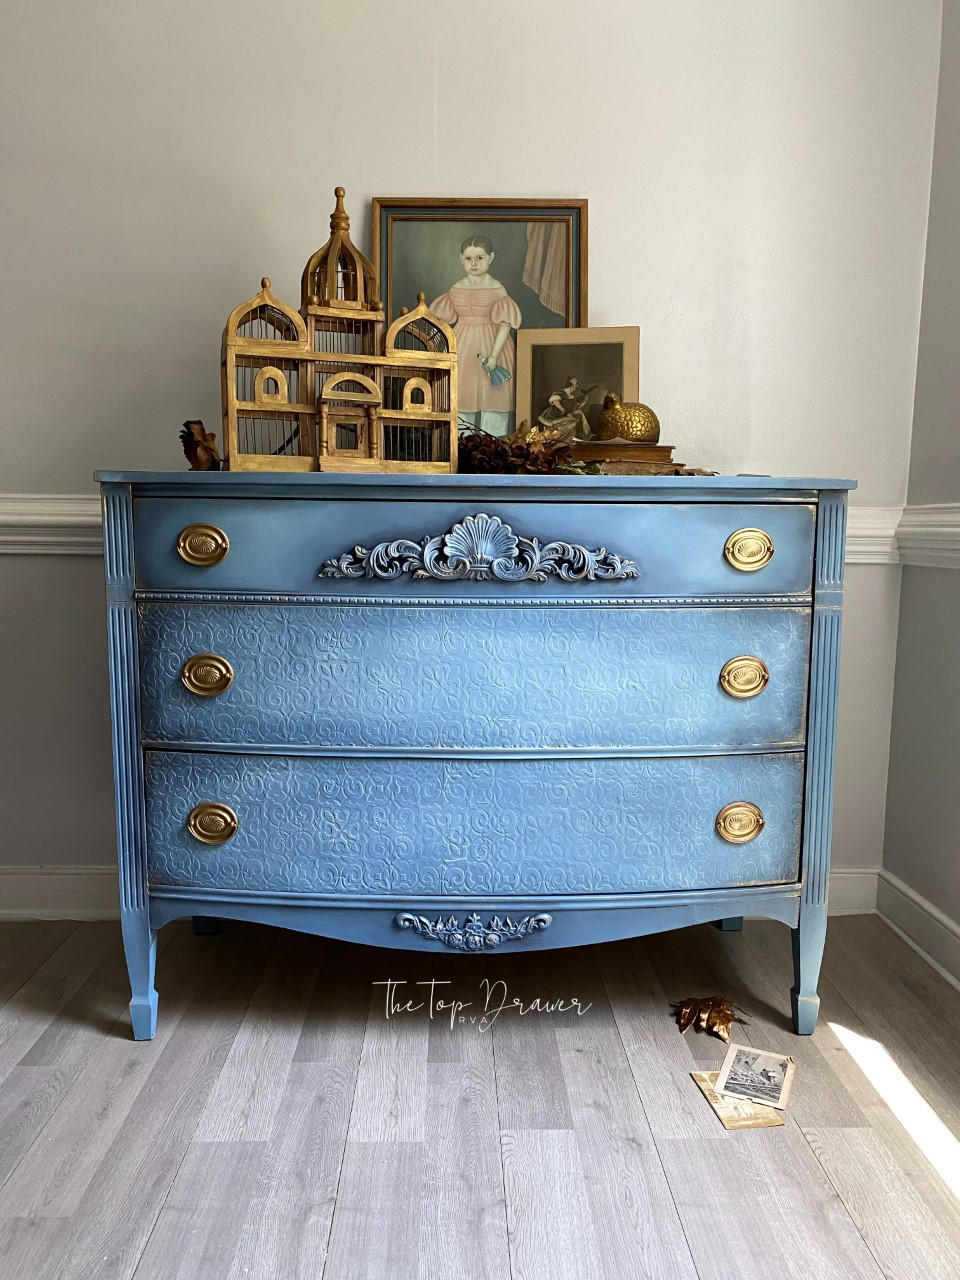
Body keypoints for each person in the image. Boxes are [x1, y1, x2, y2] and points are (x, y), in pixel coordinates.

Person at [430, 235, 522, 436]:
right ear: (461, 259)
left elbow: (505, 325)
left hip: (494, 344)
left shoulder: (498, 289)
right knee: (463, 400)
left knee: (494, 401)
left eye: (479, 258)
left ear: (491, 257)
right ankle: (463, 451)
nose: (474, 263)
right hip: (463, 346)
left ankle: (493, 451)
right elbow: (442, 322)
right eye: (468, 258)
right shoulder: (456, 289)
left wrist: (494, 355)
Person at [537, 375, 598, 440]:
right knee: (573, 422)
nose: (577, 386)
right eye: (576, 384)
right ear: (571, 386)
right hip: (553, 417)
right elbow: (553, 399)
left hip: (564, 415)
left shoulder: (571, 397)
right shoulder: (561, 393)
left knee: (579, 413)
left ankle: (588, 435)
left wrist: (585, 401)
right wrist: (562, 409)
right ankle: (568, 441)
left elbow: (576, 408)